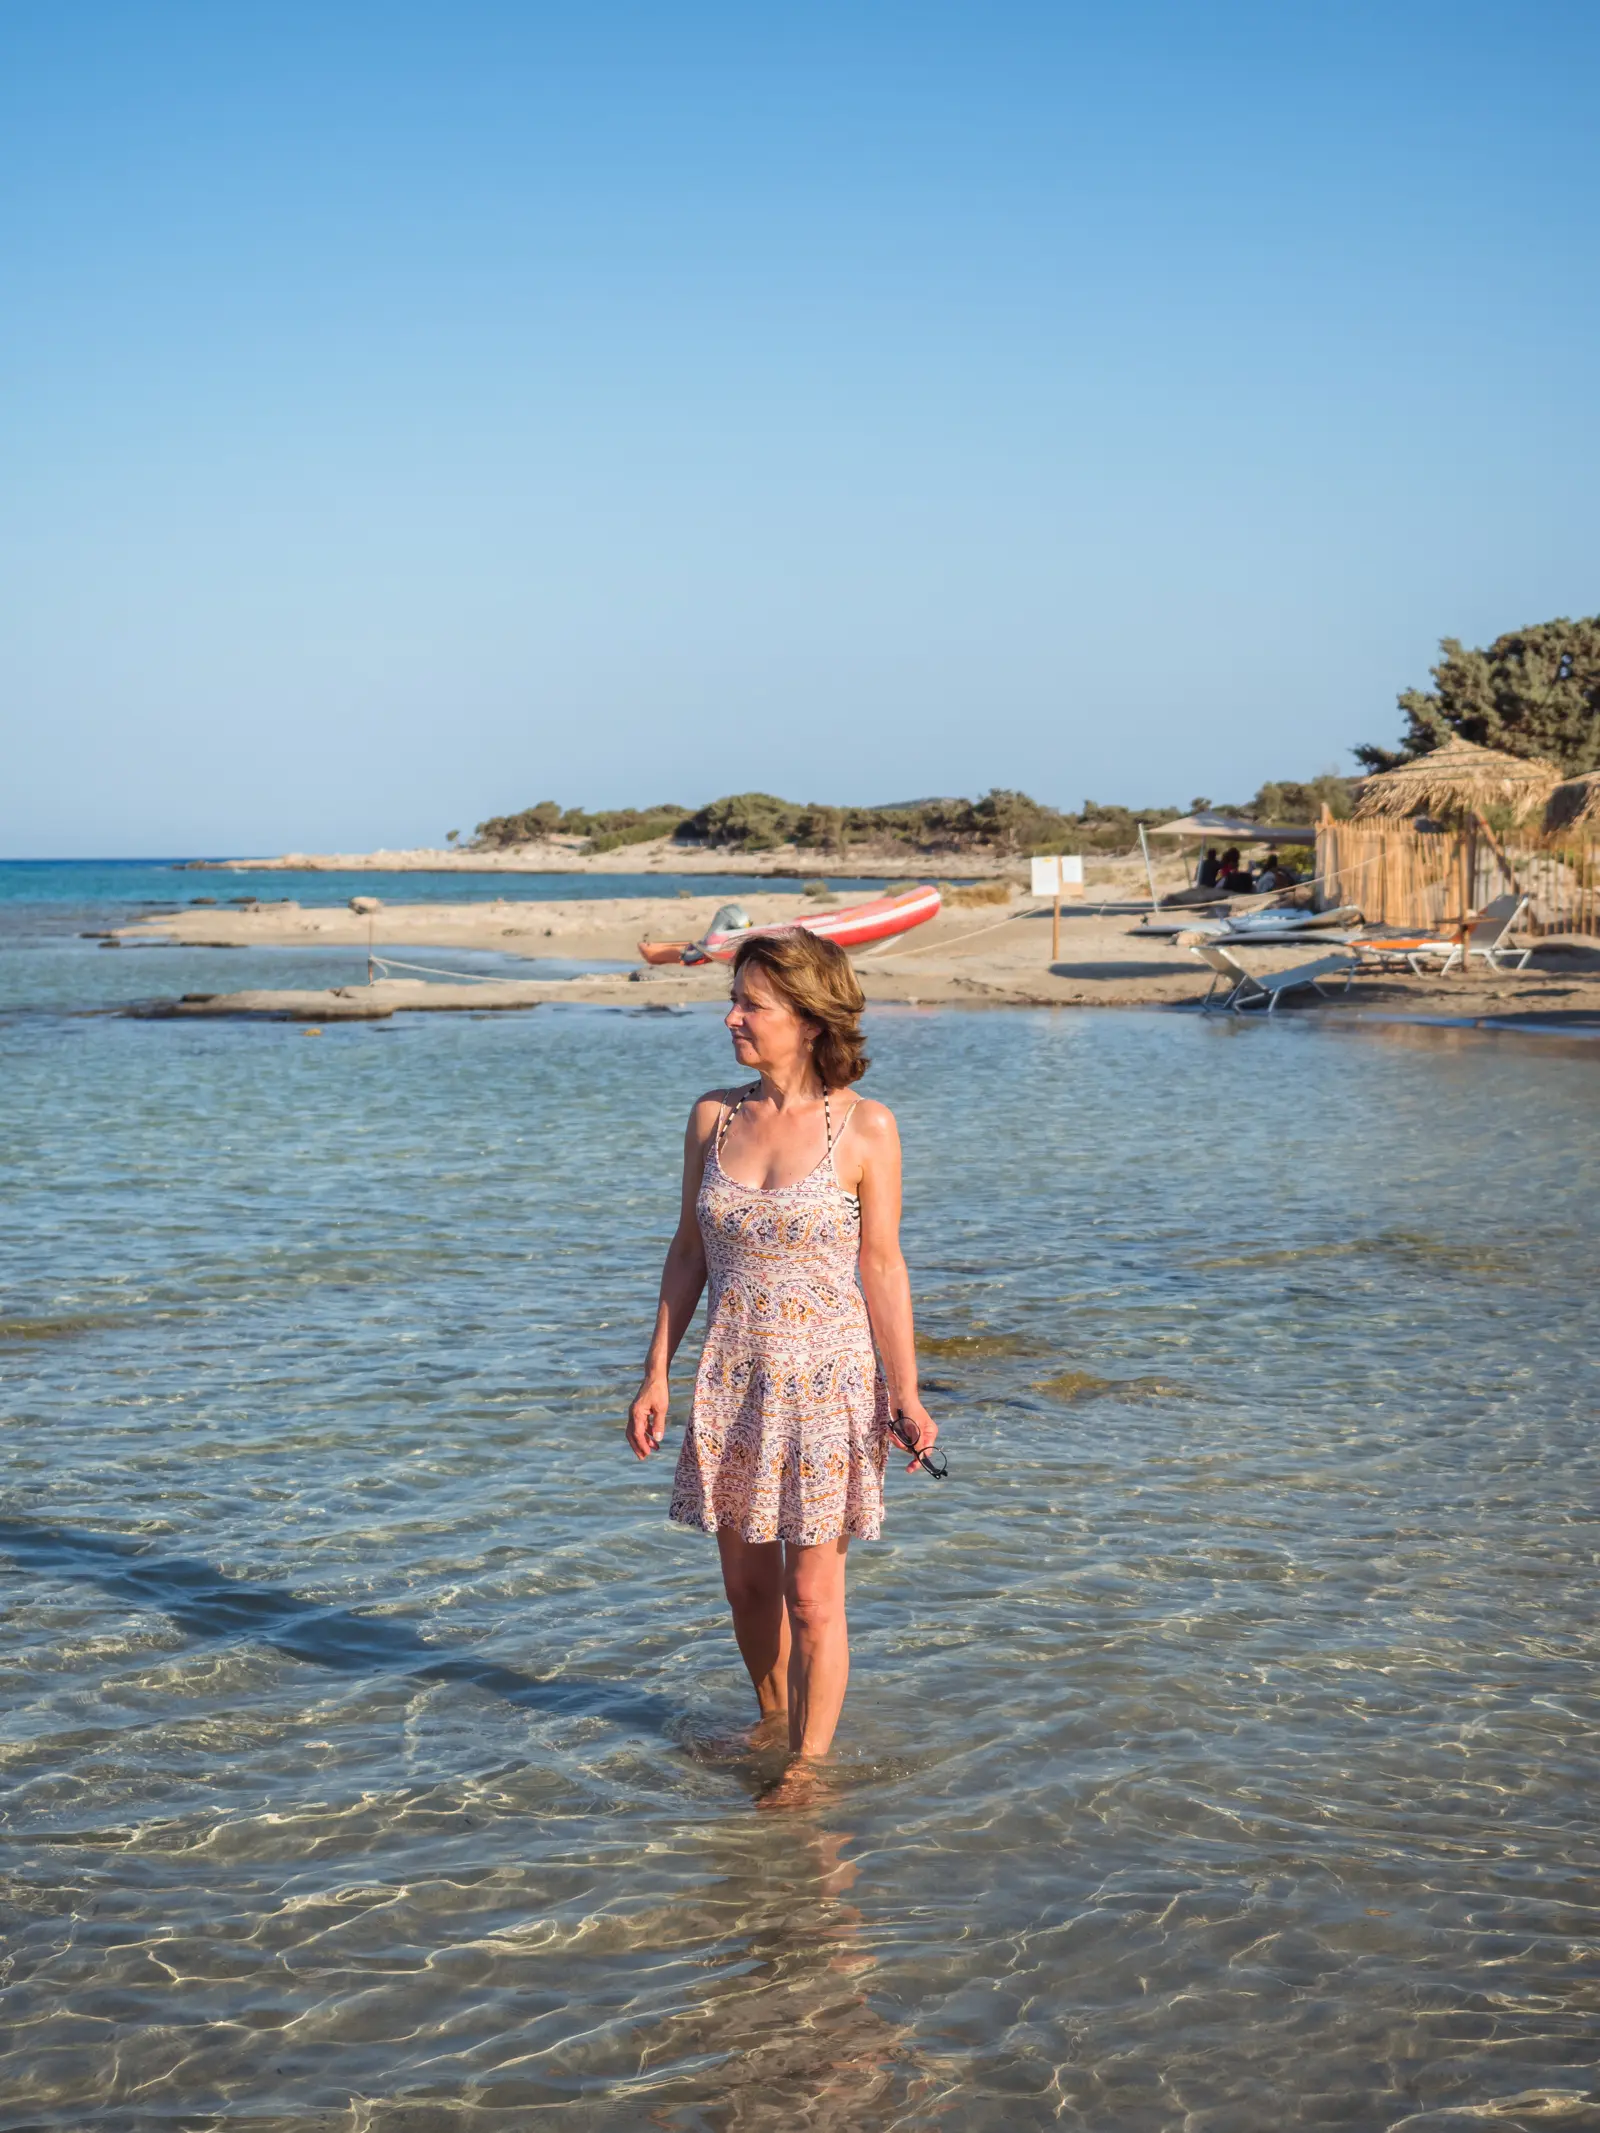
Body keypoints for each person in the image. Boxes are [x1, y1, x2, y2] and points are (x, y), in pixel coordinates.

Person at [626, 928, 936, 1787]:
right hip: (733, 1377)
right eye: (734, 1000)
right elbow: (687, 1251)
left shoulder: (867, 1128)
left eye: (751, 1004)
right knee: (747, 1591)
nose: (732, 1017)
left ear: (806, 1017)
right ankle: (772, 1717)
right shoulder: (712, 1117)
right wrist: (655, 1371)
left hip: (828, 1383)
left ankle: (806, 1765)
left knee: (812, 1596)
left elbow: (883, 1265)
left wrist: (906, 1391)